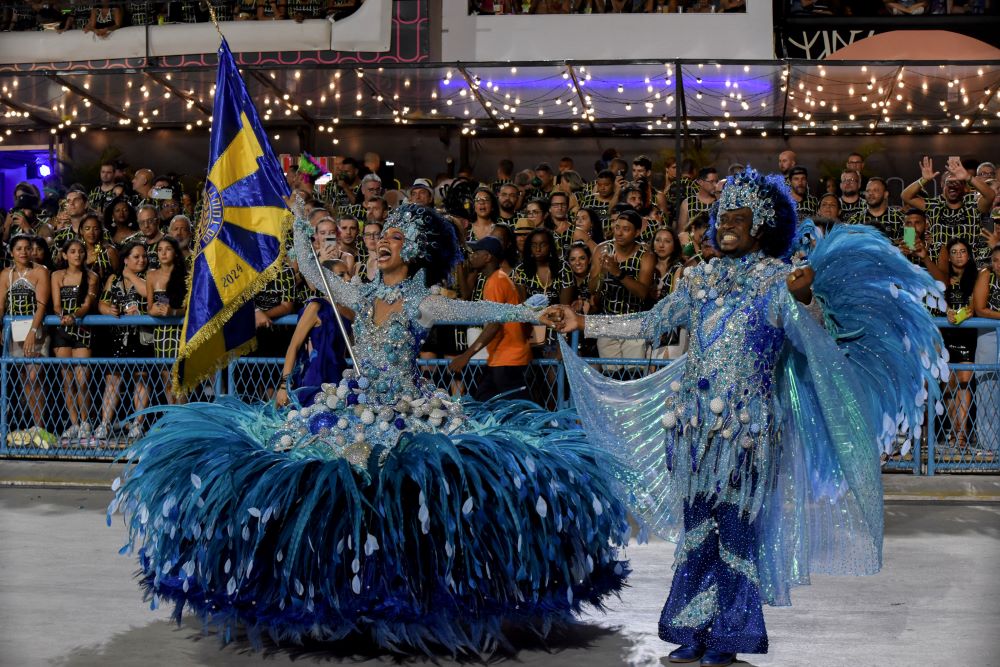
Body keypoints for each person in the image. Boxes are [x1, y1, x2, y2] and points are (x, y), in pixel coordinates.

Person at [111, 204, 631, 656]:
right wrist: (297, 224)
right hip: (352, 407)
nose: (383, 242)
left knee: (405, 489)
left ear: (416, 251)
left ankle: (406, 596)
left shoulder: (424, 301)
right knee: (321, 478)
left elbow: (477, 309)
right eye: (382, 236)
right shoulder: (360, 294)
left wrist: (526, 307)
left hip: (405, 411)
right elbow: (317, 274)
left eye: (396, 238)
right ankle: (330, 592)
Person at [541, 167, 945, 667]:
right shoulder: (698, 278)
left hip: (747, 431)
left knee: (735, 531)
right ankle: (691, 631)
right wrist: (584, 320)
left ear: (761, 225)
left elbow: (812, 338)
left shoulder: (777, 280)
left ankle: (729, 637)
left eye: (738, 216)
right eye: (720, 216)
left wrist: (805, 300)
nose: (726, 224)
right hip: (692, 428)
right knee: (696, 529)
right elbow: (650, 323)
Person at [448, 236, 532, 401]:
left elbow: (494, 325)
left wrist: (466, 355)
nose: (471, 256)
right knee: (484, 400)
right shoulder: (496, 279)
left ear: (487, 257)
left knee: (523, 410)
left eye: (476, 253)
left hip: (508, 359)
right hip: (501, 358)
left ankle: (546, 425)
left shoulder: (496, 282)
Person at [95, 241, 152, 442]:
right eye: (136, 256)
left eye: (144, 256)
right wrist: (108, 310)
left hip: (142, 337)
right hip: (118, 337)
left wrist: (131, 276)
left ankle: (138, 425)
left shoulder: (150, 276)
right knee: (112, 381)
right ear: (125, 259)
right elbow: (102, 302)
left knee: (141, 379)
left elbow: (147, 293)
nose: (142, 260)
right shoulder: (114, 278)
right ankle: (104, 424)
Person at [0, 234, 51, 441]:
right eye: (19, 248)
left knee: (34, 377)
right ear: (12, 252)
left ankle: (41, 425)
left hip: (36, 331)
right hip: (14, 331)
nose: (23, 252)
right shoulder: (5, 274)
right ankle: (32, 424)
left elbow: (42, 305)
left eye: (27, 248)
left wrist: (32, 332)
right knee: (24, 380)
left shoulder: (40, 272)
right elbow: (1, 305)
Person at [51, 238, 100, 443]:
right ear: (64, 255)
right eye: (72, 251)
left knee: (82, 380)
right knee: (67, 380)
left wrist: (74, 316)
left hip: (83, 329)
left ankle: (86, 421)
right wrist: (64, 315)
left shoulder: (92, 277)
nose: (77, 255)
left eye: (80, 251)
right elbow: (55, 304)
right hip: (62, 330)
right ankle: (74, 423)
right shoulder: (56, 275)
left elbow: (88, 304)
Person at [273, 294, 352, 410]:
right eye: (341, 275)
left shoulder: (351, 309)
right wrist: (284, 386)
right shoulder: (316, 306)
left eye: (349, 274)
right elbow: (294, 346)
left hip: (339, 378)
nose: (347, 279)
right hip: (315, 379)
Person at [146, 236, 188, 405]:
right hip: (161, 333)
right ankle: (173, 417)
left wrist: (173, 312)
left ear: (175, 253)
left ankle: (184, 417)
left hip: (180, 331)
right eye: (160, 250)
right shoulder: (151, 276)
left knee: (180, 379)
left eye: (168, 249)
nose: (163, 253)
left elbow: (190, 308)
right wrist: (153, 311)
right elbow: (149, 307)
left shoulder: (186, 276)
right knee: (166, 378)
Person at [972, 241, 1000, 450]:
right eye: (996, 260)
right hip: (989, 334)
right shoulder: (986, 276)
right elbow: (980, 309)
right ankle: (989, 443)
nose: (998, 264)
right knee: (987, 384)